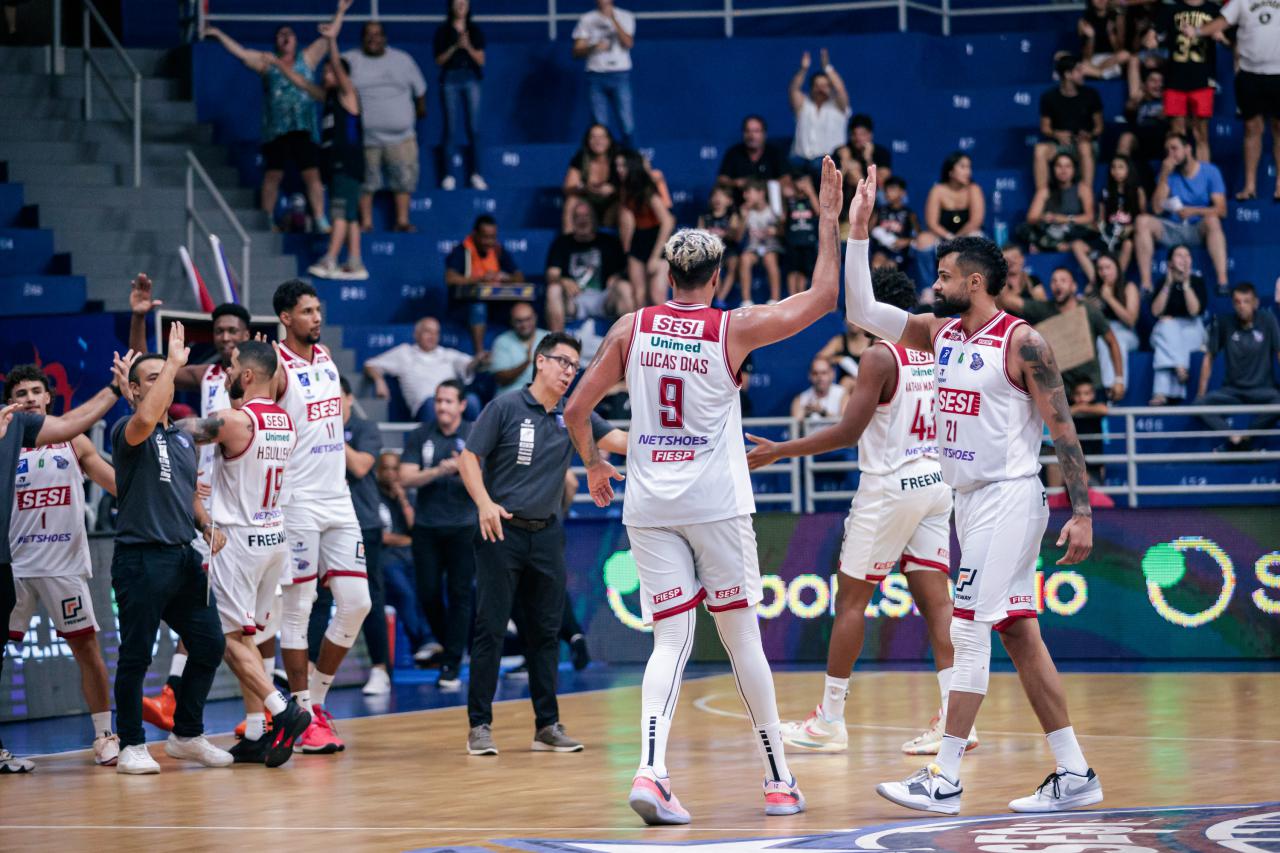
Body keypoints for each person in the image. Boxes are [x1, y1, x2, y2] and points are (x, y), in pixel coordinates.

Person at [564, 156, 847, 826]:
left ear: (667, 275)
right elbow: (823, 300)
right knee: (743, 639)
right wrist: (830, 221)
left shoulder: (631, 328)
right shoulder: (732, 326)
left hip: (650, 501)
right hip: (716, 502)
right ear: (716, 278)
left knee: (669, 642)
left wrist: (595, 467)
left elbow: (576, 411)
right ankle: (779, 780)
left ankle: (652, 772)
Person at [844, 166, 1100, 815]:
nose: (936, 285)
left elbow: (1064, 432)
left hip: (1010, 494)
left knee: (968, 625)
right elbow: (863, 311)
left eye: (945, 276)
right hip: (967, 501)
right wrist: (856, 232)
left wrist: (1082, 512)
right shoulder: (941, 332)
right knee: (1017, 629)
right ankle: (1075, 773)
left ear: (976, 283)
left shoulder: (1024, 342)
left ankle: (946, 776)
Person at [745, 267, 977, 757]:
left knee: (851, 602)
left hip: (890, 487)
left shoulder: (878, 355)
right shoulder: (937, 346)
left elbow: (847, 433)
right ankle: (957, 721)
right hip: (936, 481)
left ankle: (829, 720)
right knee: (938, 603)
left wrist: (780, 450)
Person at [460, 333, 627, 756]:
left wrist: (670, 430)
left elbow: (621, 442)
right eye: (563, 362)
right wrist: (484, 503)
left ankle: (547, 726)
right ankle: (479, 725)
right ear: (539, 361)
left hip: (547, 532)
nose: (570, 372)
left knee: (546, 633)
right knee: (490, 630)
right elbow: (468, 458)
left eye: (575, 366)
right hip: (503, 530)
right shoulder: (506, 407)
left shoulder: (575, 414)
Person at [127, 283, 278, 731]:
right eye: (219, 331)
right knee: (212, 606)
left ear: (248, 338)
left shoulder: (248, 394)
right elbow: (147, 374)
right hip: (207, 498)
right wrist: (139, 320)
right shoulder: (210, 375)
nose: (226, 338)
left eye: (234, 332)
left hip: (239, 507)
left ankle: (267, 710)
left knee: (228, 617)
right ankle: (249, 716)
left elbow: (163, 417)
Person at [110, 325, 235, 775]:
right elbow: (145, 418)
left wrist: (206, 524)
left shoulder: (184, 437)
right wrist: (176, 366)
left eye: (165, 375)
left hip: (183, 557)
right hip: (140, 559)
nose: (162, 381)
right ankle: (130, 744)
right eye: (152, 377)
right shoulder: (128, 430)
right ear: (135, 389)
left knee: (209, 643)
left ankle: (186, 735)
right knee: (136, 654)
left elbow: (188, 495)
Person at [0, 350, 132, 773]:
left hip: (62, 565)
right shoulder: (6, 443)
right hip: (14, 566)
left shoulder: (74, 440)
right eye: (22, 394)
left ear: (49, 400)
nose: (32, 398)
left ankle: (103, 734)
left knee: (87, 648)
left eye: (38, 392)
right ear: (11, 404)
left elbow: (116, 485)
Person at [188, 340, 311, 767]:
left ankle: (284, 709)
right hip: (273, 536)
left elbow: (178, 435)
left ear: (245, 377)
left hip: (236, 540)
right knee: (250, 638)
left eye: (231, 366)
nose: (223, 372)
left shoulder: (231, 420)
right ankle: (257, 731)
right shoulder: (286, 421)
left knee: (227, 639)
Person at [271, 280, 373, 753]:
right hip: (297, 501)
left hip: (337, 498)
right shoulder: (275, 366)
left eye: (318, 310)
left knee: (357, 602)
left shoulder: (326, 356)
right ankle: (302, 712)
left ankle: (314, 703)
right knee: (298, 607)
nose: (316, 317)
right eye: (307, 311)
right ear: (286, 318)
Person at [202, 0, 352, 231]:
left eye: (289, 34)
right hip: (276, 129)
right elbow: (241, 53)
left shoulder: (307, 59)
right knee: (272, 176)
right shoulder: (267, 63)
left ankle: (321, 219)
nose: (285, 37)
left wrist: (340, 11)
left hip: (303, 127)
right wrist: (218, 33)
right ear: (276, 41)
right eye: (280, 34)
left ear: (295, 40)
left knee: (312, 175)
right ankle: (267, 219)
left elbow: (329, 37)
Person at [305, 377, 391, 696]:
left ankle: (380, 669)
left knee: (369, 598)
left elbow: (360, 466)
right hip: (321, 523)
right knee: (318, 599)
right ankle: (311, 669)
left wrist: (329, 432)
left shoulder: (365, 429)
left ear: (349, 398)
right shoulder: (311, 430)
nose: (331, 403)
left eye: (335, 396)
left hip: (362, 521)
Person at [400, 380, 477, 689]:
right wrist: (440, 471)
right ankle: (449, 645)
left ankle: (452, 662)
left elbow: (489, 474)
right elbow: (405, 478)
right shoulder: (422, 434)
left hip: (463, 525)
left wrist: (465, 469)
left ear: (461, 405)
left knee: (460, 594)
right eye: (438, 401)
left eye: (448, 401)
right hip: (428, 526)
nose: (442, 406)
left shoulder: (474, 433)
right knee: (428, 593)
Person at [280, 34, 367, 281]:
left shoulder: (348, 95)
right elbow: (302, 83)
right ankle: (355, 261)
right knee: (349, 214)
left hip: (347, 164)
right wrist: (279, 66)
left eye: (329, 72)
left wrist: (332, 41)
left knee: (339, 212)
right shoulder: (328, 98)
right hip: (337, 165)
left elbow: (338, 66)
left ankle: (330, 257)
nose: (325, 75)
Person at [1186, 0, 1280, 200]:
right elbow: (1223, 21)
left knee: (1279, 128)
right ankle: (1249, 186)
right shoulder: (1241, 0)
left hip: (1279, 73)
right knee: (1251, 128)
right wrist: (1196, 31)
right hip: (1249, 72)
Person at [343, 20, 428, 230]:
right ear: (362, 38)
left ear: (385, 38)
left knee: (403, 180)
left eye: (377, 34)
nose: (373, 38)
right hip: (365, 138)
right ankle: (366, 223)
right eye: (369, 34)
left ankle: (402, 221)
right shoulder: (350, 60)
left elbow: (420, 91)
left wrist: (415, 114)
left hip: (401, 137)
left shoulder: (402, 60)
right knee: (365, 183)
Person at [1003, 267, 1127, 403]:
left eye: (1063, 280)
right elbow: (1006, 300)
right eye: (1054, 281)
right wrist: (1016, 280)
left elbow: (1112, 341)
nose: (1058, 284)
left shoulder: (1089, 311)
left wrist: (1119, 379)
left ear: (1073, 286)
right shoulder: (1043, 310)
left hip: (1092, 388)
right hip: (1061, 392)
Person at [1134, 132, 1228, 294]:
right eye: (1167, 150)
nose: (1171, 154)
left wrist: (1193, 211)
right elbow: (1156, 209)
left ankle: (1222, 282)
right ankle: (1146, 285)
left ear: (1187, 149)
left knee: (1213, 221)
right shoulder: (1168, 174)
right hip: (1172, 228)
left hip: (1196, 228)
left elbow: (1222, 210)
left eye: (1174, 149)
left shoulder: (1210, 171)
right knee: (1142, 221)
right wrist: (1164, 175)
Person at [1196, 282, 1280, 450]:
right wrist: (1201, 392)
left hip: (1262, 390)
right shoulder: (1224, 322)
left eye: (1246, 301)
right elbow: (1209, 357)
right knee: (1199, 405)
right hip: (1232, 391)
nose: (1242, 306)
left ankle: (1247, 436)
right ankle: (1234, 437)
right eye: (1237, 302)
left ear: (1255, 303)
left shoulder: (1268, 320)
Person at [374, 451, 433, 658]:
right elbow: (381, 535)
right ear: (378, 471)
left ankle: (430, 642)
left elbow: (414, 527)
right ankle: (423, 642)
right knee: (405, 594)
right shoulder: (372, 496)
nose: (390, 473)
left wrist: (402, 499)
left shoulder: (407, 495)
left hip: (410, 555)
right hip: (386, 557)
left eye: (394, 468)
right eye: (385, 468)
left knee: (427, 591)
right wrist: (408, 540)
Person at [365, 316, 479, 420]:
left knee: (472, 400)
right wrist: (379, 380)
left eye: (436, 333)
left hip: (452, 403)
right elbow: (370, 365)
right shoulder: (404, 353)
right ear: (416, 334)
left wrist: (480, 360)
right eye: (428, 331)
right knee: (431, 403)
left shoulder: (448, 353)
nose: (432, 336)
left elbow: (469, 364)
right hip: (426, 407)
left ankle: (478, 441)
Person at [445, 214, 527, 355]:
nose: (489, 241)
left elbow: (519, 277)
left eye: (493, 237)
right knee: (478, 307)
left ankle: (521, 351)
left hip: (495, 304)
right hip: (465, 305)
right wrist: (480, 279)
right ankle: (480, 353)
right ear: (475, 234)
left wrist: (505, 278)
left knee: (520, 307)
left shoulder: (497, 250)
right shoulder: (461, 251)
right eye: (485, 237)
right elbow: (450, 279)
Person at [545, 200, 632, 331]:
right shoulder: (561, 243)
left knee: (624, 287)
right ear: (572, 221)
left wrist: (617, 277)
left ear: (594, 219)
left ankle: (630, 343)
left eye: (586, 216)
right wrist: (563, 281)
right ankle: (558, 343)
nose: (582, 220)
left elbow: (626, 270)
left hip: (603, 298)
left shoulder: (610, 242)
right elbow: (552, 274)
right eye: (578, 217)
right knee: (553, 290)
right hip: (575, 300)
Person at [433, 0, 488, 191]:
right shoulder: (443, 31)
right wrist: (455, 46)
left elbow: (481, 60)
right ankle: (448, 175)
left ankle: (477, 174)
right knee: (450, 128)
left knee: (474, 128)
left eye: (464, 1)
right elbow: (439, 60)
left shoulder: (474, 30)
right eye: (457, 1)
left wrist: (468, 46)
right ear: (451, 5)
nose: (461, 4)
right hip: (449, 79)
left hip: (471, 77)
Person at [1018, 152, 1097, 280]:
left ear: (1074, 169)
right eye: (1059, 166)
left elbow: (1089, 217)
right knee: (1024, 229)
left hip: (1074, 230)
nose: (1063, 170)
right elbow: (1031, 217)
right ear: (1053, 169)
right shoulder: (1045, 190)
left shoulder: (1082, 188)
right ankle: (1057, 245)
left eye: (1068, 166)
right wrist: (1045, 217)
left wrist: (1064, 219)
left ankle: (1053, 246)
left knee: (1089, 231)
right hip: (1052, 231)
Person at [1159, 0, 1219, 161]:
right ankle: (1179, 182)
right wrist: (1151, 39)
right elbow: (1157, 36)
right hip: (1174, 79)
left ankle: (1204, 180)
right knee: (1176, 135)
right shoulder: (1171, 9)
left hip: (1202, 79)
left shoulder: (1213, 9)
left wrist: (1221, 38)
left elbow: (1229, 41)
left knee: (1201, 133)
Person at [572, 0, 637, 147]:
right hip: (596, 75)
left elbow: (628, 43)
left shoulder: (625, 16)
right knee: (599, 126)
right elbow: (576, 51)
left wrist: (613, 19)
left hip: (620, 74)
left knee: (626, 122)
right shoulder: (587, 19)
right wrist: (594, 47)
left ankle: (632, 158)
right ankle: (603, 162)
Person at [1035, 54, 1103, 191]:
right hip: (1061, 144)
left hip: (1086, 144)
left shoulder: (1091, 94)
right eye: (1078, 70)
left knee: (1084, 147)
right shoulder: (1049, 97)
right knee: (1040, 150)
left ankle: (1085, 195)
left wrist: (1089, 135)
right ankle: (1043, 197)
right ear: (1067, 74)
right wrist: (1056, 134)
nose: (1082, 73)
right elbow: (1045, 128)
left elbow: (1099, 127)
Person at [1150, 244, 1208, 404]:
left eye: (1187, 255)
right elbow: (1156, 312)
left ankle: (1160, 393)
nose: (1184, 259)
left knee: (1165, 347)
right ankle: (1180, 367)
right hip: (1167, 333)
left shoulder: (1196, 281)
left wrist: (1186, 284)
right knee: (1167, 326)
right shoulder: (1162, 282)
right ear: (1169, 263)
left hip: (1191, 329)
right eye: (1179, 255)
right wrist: (1168, 285)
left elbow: (1194, 311)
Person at [616, 149, 675, 308]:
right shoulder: (625, 189)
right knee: (638, 296)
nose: (619, 169)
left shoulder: (647, 189)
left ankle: (664, 333)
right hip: (639, 239)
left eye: (623, 166)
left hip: (658, 240)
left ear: (632, 166)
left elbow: (668, 221)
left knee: (657, 297)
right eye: (617, 166)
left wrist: (655, 257)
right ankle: (640, 332)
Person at [1084, 252, 1141, 394]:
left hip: (1126, 333)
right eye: (1100, 268)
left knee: (1113, 341)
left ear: (1117, 268)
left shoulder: (1128, 287)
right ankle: (1105, 389)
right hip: (1100, 332)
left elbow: (1131, 320)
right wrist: (1089, 307)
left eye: (1108, 267)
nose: (1104, 272)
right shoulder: (1092, 290)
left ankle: (1114, 388)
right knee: (1101, 341)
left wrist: (1109, 298)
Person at [789, 49, 851, 175]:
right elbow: (794, 89)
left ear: (830, 88)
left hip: (828, 161)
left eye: (825, 86)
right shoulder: (804, 105)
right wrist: (803, 69)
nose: (820, 89)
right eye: (817, 86)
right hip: (799, 160)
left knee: (819, 166)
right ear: (811, 88)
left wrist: (827, 68)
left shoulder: (839, 106)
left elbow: (840, 89)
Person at [916, 152, 986, 256]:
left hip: (966, 235)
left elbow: (976, 222)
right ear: (951, 172)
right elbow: (932, 223)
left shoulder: (974, 189)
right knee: (922, 240)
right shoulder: (937, 190)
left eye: (969, 167)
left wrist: (957, 238)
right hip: (942, 236)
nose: (968, 172)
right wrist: (949, 237)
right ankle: (929, 273)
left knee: (977, 237)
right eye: (963, 167)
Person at [562, 124, 620, 234]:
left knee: (625, 203)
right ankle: (567, 244)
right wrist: (585, 188)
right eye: (593, 137)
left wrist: (614, 189)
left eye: (602, 137)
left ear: (609, 140)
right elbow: (568, 188)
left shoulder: (618, 158)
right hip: (588, 206)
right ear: (588, 141)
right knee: (571, 201)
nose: (598, 141)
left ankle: (627, 249)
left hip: (613, 205)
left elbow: (633, 185)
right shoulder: (581, 158)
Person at [1117, 66, 1168, 190]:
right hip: (1140, 143)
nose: (1158, 84)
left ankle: (1167, 185)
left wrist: (1168, 114)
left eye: (1160, 81)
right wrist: (1137, 99)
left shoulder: (1168, 101)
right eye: (1153, 81)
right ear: (1144, 85)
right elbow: (1129, 109)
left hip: (1162, 141)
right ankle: (1119, 185)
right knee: (1126, 138)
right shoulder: (1138, 102)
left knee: (1172, 137)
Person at [1097, 155, 1146, 275]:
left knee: (1128, 244)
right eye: (1113, 167)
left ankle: (1118, 278)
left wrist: (1131, 227)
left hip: (1129, 233)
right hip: (1110, 232)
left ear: (1128, 169)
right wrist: (1101, 227)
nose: (1116, 171)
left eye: (1121, 167)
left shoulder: (1138, 191)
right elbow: (1101, 219)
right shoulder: (1105, 191)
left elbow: (1143, 218)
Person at [738, 177, 783, 306]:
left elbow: (782, 232)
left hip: (771, 247)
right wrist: (743, 218)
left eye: (749, 192)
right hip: (753, 248)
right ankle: (746, 301)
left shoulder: (773, 210)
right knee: (745, 259)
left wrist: (775, 230)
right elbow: (738, 238)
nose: (745, 196)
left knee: (770, 258)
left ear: (761, 193)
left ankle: (774, 300)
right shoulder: (746, 211)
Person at [488, 303, 550, 396]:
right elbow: (501, 379)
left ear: (535, 318)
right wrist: (526, 363)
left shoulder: (550, 338)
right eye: (519, 321)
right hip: (510, 399)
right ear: (512, 322)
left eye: (528, 319)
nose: (524, 325)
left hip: (542, 398)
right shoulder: (502, 341)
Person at [717, 115, 786, 195]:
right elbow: (722, 179)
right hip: (740, 199)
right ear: (743, 133)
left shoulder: (774, 153)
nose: (751, 136)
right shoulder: (733, 152)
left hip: (767, 200)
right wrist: (735, 183)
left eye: (756, 131)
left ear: (764, 133)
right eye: (747, 131)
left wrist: (759, 186)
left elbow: (786, 180)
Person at [700, 186, 744, 299]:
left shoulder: (732, 216)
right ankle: (717, 294)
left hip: (728, 248)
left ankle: (721, 298)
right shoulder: (705, 216)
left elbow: (735, 235)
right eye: (715, 195)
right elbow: (698, 233)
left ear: (729, 201)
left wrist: (725, 233)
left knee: (733, 263)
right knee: (714, 266)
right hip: (712, 249)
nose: (717, 198)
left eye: (721, 195)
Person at [782, 168, 820, 297]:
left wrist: (810, 193)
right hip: (792, 240)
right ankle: (791, 297)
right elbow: (782, 218)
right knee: (792, 270)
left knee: (804, 270)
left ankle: (800, 297)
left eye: (806, 181)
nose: (803, 184)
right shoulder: (790, 200)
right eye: (800, 181)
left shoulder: (811, 199)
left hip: (808, 241)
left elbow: (819, 212)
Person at [870, 176, 920, 270]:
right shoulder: (879, 211)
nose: (888, 193)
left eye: (892, 189)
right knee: (876, 264)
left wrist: (906, 241)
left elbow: (919, 237)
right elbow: (869, 231)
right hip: (881, 249)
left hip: (900, 252)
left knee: (890, 267)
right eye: (886, 190)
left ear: (902, 192)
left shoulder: (909, 214)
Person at [1078, 0, 1131, 79]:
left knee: (1125, 55)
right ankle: (1101, 73)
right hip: (1093, 59)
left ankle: (1095, 73)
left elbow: (1119, 49)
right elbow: (1087, 56)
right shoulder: (1083, 21)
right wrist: (1091, 37)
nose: (1101, 0)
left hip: (1112, 59)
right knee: (1080, 62)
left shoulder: (1117, 18)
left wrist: (1111, 34)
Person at [835, 114, 893, 185]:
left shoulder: (881, 153)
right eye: (854, 134)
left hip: (873, 193)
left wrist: (868, 159)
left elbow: (882, 185)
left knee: (855, 172)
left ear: (870, 135)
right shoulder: (842, 151)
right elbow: (833, 185)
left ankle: (864, 194)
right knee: (853, 171)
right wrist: (845, 163)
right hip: (846, 193)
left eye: (862, 134)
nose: (858, 138)